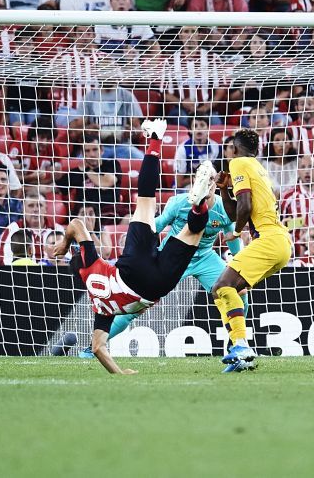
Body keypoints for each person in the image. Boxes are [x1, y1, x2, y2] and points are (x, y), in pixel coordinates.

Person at [53, 118, 216, 374]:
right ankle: (155, 139)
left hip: (155, 286)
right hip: (131, 264)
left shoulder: (99, 307)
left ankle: (200, 206)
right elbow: (76, 223)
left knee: (192, 233)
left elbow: (98, 348)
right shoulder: (91, 264)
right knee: (146, 202)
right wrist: (64, 243)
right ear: (79, 260)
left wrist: (120, 372)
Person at [79, 178, 249, 364]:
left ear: (215, 185)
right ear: (195, 184)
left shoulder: (223, 207)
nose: (207, 186)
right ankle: (92, 346)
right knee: (133, 305)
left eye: (210, 181)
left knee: (239, 291)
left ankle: (236, 344)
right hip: (173, 257)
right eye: (202, 181)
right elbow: (157, 224)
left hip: (205, 257)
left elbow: (231, 236)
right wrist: (135, 248)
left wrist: (239, 263)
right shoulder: (179, 203)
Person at [211, 129, 293, 372]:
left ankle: (241, 346)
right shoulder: (256, 166)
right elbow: (235, 210)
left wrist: (236, 232)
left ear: (233, 149)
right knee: (226, 291)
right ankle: (240, 351)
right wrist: (224, 190)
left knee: (221, 287)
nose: (227, 153)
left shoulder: (238, 163)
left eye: (228, 148)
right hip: (279, 243)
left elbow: (244, 208)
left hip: (268, 239)